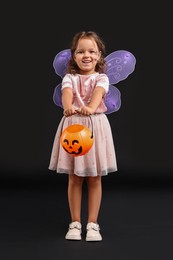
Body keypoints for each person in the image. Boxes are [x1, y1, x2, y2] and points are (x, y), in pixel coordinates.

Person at [48, 31, 117, 241]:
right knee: (75, 177)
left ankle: (93, 224)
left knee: (94, 177)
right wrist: (68, 107)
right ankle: (75, 223)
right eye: (81, 51)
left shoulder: (102, 78)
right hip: (74, 127)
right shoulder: (70, 77)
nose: (86, 55)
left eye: (91, 51)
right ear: (74, 56)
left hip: (95, 126)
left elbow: (98, 93)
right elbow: (66, 93)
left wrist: (91, 107)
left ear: (99, 56)